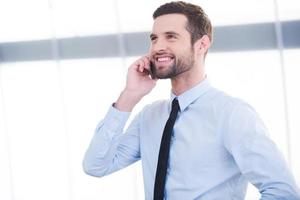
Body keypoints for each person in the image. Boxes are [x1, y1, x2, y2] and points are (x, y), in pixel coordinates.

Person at [83, 1, 300, 199]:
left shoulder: (231, 114)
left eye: (171, 36)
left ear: (202, 44)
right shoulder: (150, 115)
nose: (158, 47)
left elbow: (282, 191)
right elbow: (96, 165)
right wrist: (129, 96)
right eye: (154, 38)